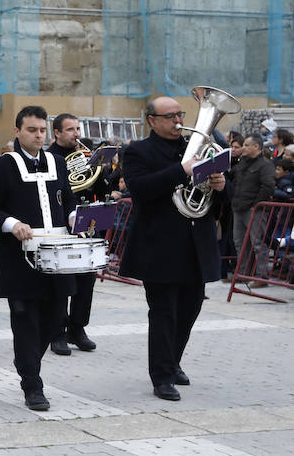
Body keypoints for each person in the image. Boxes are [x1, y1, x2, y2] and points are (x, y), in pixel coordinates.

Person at [119, 96, 227, 401]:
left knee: (190, 310)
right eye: (170, 116)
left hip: (196, 246)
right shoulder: (138, 151)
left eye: (180, 114)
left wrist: (220, 186)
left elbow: (217, 199)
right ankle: (162, 376)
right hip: (160, 247)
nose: (178, 121)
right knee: (164, 313)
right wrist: (183, 170)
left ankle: (173, 361)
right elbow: (140, 189)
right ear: (152, 120)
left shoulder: (197, 147)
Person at [0, 105, 76, 411]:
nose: (38, 135)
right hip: (20, 259)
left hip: (57, 257)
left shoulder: (58, 163)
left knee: (53, 319)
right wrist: (12, 224)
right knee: (25, 321)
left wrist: (75, 218)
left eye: (42, 130)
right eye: (32, 130)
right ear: (17, 131)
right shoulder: (3, 166)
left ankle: (26, 360)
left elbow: (69, 200)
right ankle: (32, 383)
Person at [46, 113, 110, 355]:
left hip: (88, 222)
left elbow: (102, 187)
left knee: (87, 278)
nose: (76, 134)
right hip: (62, 223)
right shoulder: (49, 158)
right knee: (63, 280)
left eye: (78, 129)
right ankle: (57, 332)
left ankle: (77, 328)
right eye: (70, 129)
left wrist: (99, 170)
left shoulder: (85, 156)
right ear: (57, 133)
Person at [229, 133, 275, 280]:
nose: (244, 148)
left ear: (257, 147)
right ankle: (242, 274)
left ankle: (261, 276)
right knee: (240, 244)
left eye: (247, 145)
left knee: (257, 243)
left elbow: (268, 186)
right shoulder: (242, 163)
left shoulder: (265, 165)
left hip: (254, 209)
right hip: (239, 207)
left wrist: (256, 205)